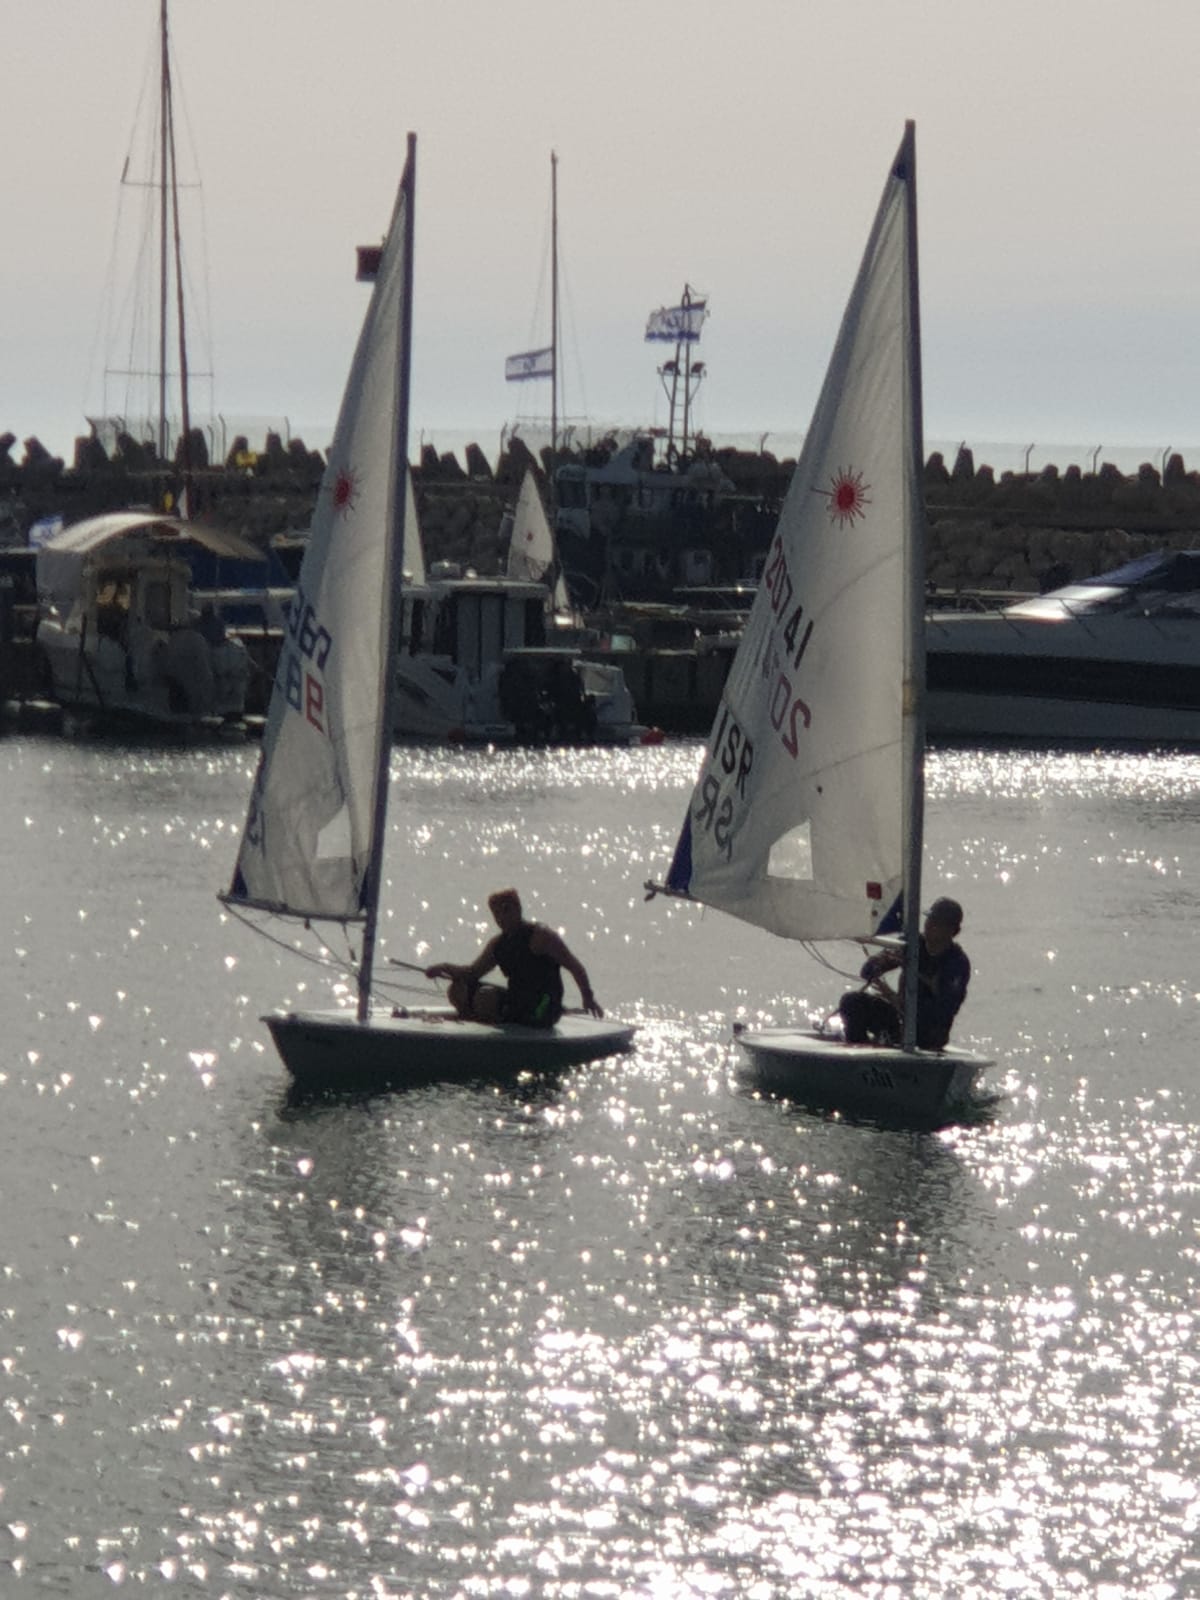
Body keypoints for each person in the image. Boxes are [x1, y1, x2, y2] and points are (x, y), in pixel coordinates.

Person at [425, 888, 604, 1027]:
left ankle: (493, 1030)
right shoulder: (498, 944)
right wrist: (443, 967)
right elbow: (473, 972)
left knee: (485, 997)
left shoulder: (540, 936)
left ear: (518, 909)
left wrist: (587, 997)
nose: (502, 917)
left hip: (544, 1006)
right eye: (497, 913)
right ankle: (477, 1027)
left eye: (506, 910)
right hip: (517, 1000)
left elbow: (574, 966)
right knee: (458, 989)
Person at [838, 896, 970, 1051]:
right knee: (852, 1002)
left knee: (927, 1025)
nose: (930, 926)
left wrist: (897, 999)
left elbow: (942, 1010)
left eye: (938, 923)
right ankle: (858, 1054)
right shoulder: (914, 944)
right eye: (930, 920)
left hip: (928, 1033)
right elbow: (866, 971)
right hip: (899, 1019)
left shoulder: (956, 963)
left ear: (953, 931)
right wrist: (881, 962)